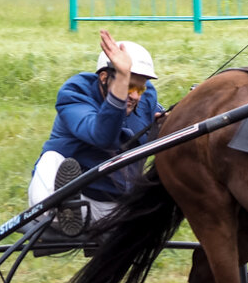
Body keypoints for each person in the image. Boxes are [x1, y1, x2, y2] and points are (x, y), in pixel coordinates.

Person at [29, 30, 163, 235]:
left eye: (140, 88)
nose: (135, 96)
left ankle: (92, 218)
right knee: (51, 158)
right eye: (128, 86)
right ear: (103, 77)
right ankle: (64, 212)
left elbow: (160, 122)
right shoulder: (74, 95)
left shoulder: (145, 98)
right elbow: (103, 137)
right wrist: (121, 82)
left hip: (117, 204)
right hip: (71, 197)